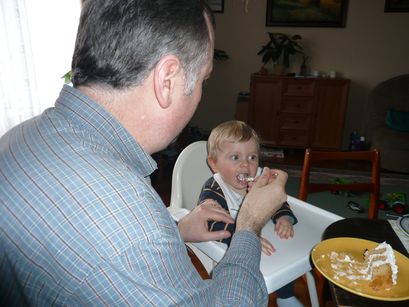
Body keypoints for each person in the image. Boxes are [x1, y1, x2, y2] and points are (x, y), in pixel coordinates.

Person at [0, 1, 289, 306]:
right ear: (167, 80)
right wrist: (249, 223)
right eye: (204, 79)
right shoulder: (133, 231)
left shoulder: (18, 137)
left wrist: (176, 231)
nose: (201, 91)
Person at [198, 120, 303, 307]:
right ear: (214, 164)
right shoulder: (214, 188)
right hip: (231, 251)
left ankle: (285, 296)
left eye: (252, 157)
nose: (245, 165)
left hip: (264, 239)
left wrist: (284, 217)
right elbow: (212, 223)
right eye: (235, 157)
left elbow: (278, 200)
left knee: (282, 254)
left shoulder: (259, 179)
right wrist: (244, 236)